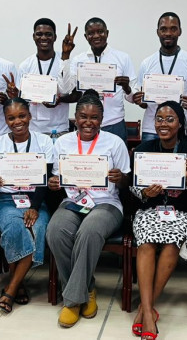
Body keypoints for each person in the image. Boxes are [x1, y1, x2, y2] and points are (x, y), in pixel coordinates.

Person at [46, 89, 131, 328]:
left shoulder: (114, 142)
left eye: (94, 117)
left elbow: (126, 182)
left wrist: (120, 178)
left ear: (102, 120)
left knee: (89, 231)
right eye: (83, 116)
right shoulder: (62, 142)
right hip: (74, 201)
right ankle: (87, 289)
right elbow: (57, 178)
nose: (88, 122)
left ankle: (72, 301)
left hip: (107, 203)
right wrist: (54, 183)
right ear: (75, 117)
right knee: (55, 230)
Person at [129, 101, 187, 340]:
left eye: (170, 119)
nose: (163, 124)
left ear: (181, 124)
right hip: (149, 211)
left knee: (172, 241)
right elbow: (132, 188)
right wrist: (145, 193)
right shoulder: (144, 149)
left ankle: (145, 309)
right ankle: (148, 312)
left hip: (183, 213)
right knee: (145, 241)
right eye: (159, 119)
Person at [0, 98, 54, 313]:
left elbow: (45, 180)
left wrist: (34, 206)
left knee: (37, 227)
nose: (17, 122)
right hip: (5, 200)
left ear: (30, 116)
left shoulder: (44, 142)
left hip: (35, 199)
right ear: (5, 120)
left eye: (22, 116)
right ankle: (18, 285)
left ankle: (12, 287)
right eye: (11, 118)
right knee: (15, 227)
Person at [133, 12, 187, 140]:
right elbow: (144, 104)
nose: (168, 33)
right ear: (158, 32)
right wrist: (139, 101)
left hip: (178, 128)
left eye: (173, 29)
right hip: (151, 128)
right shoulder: (147, 63)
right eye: (164, 29)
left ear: (180, 31)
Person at [68, 17, 137, 142]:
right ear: (85, 36)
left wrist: (127, 88)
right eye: (91, 33)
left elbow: (133, 99)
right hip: (87, 125)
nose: (96, 36)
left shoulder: (123, 58)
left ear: (107, 33)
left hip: (114, 123)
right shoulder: (78, 60)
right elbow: (68, 89)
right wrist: (65, 56)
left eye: (100, 32)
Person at [7, 18, 80, 136]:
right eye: (39, 34)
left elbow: (72, 93)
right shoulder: (26, 65)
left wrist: (60, 100)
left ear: (55, 37)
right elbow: (22, 101)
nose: (44, 38)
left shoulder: (65, 62)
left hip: (59, 129)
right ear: (33, 37)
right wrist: (16, 95)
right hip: (33, 130)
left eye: (48, 34)